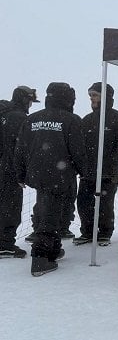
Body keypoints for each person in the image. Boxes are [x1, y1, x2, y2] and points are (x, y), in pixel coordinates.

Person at [14, 82, 87, 276]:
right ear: (68, 99)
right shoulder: (71, 120)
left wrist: (20, 173)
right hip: (60, 174)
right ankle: (40, 258)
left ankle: (53, 250)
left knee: (47, 209)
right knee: (50, 215)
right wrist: (85, 171)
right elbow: (79, 151)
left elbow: (20, 149)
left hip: (37, 173)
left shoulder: (32, 119)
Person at [73, 82, 118, 245]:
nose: (91, 98)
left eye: (95, 95)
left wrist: (111, 163)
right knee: (83, 201)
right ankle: (87, 232)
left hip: (108, 172)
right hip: (87, 172)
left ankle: (105, 232)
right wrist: (82, 165)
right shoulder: (87, 120)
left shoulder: (117, 118)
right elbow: (78, 145)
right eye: (90, 95)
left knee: (105, 203)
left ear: (105, 97)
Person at [0, 86, 39, 258]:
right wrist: (21, 172)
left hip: (2, 166)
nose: (30, 105)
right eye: (30, 101)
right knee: (10, 207)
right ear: (25, 100)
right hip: (9, 170)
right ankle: (5, 244)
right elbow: (21, 148)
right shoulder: (20, 118)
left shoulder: (3, 114)